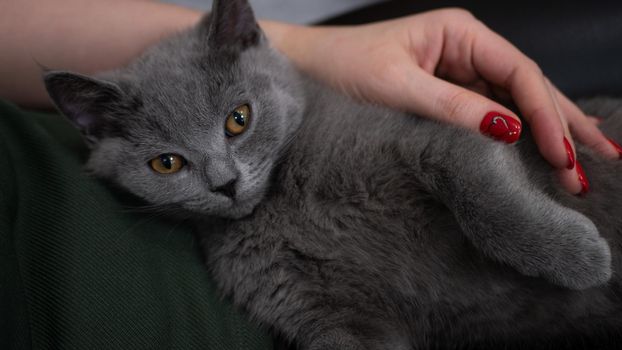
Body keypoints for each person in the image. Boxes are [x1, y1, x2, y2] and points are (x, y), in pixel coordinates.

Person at [0, 1, 620, 349]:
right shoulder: (236, 262)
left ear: (248, 40)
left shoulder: (323, 131)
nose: (224, 178)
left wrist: (518, 226)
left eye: (237, 121)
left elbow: (449, 154)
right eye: (170, 163)